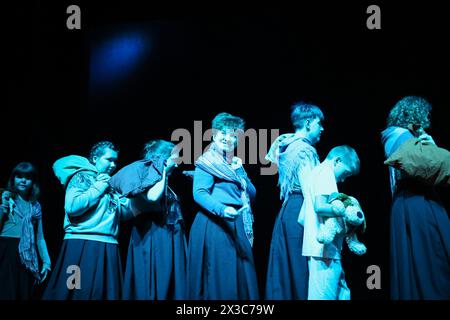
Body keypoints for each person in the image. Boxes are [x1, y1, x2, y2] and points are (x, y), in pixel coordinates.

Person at [43, 141, 142, 300]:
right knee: (73, 292)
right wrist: (98, 187)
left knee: (103, 293)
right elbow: (73, 207)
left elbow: (122, 213)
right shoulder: (82, 176)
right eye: (108, 159)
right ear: (95, 158)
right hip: (81, 244)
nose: (113, 164)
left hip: (108, 245)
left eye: (115, 161)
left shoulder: (109, 182)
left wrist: (139, 195)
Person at [381, 96, 450, 300]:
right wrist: (434, 149)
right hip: (417, 202)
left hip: (410, 201)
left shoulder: (398, 136)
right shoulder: (400, 136)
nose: (427, 119)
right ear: (414, 113)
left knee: (421, 262)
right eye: (425, 114)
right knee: (433, 262)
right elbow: (427, 166)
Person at [187, 112, 259, 300]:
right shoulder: (208, 162)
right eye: (224, 134)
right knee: (221, 277)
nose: (229, 139)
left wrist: (240, 171)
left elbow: (252, 194)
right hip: (215, 223)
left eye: (234, 136)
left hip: (235, 222)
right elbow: (199, 193)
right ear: (214, 135)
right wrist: (222, 209)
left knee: (241, 277)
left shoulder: (232, 166)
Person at [265, 102, 324, 299]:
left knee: (287, 269)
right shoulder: (305, 150)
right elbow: (310, 189)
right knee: (300, 270)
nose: (322, 129)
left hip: (287, 210)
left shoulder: (286, 144)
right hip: (301, 209)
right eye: (319, 124)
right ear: (308, 123)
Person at [117, 140, 187, 300]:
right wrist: (162, 170)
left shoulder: (164, 182)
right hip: (153, 238)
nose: (176, 165)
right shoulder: (143, 178)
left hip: (169, 238)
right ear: (162, 159)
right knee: (154, 283)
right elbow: (153, 197)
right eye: (174, 160)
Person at [299, 146, 360, 300]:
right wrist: (346, 211)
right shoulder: (326, 173)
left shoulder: (316, 173)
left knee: (342, 294)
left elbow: (301, 218)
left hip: (323, 249)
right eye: (345, 173)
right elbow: (319, 207)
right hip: (324, 250)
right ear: (337, 161)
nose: (344, 179)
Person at [0, 162, 51, 299]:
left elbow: (40, 237)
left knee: (24, 293)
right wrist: (3, 206)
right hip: (6, 250)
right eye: (19, 176)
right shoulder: (5, 198)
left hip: (27, 254)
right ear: (13, 179)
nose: (23, 180)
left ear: (33, 181)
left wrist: (46, 261)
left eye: (27, 177)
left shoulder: (35, 206)